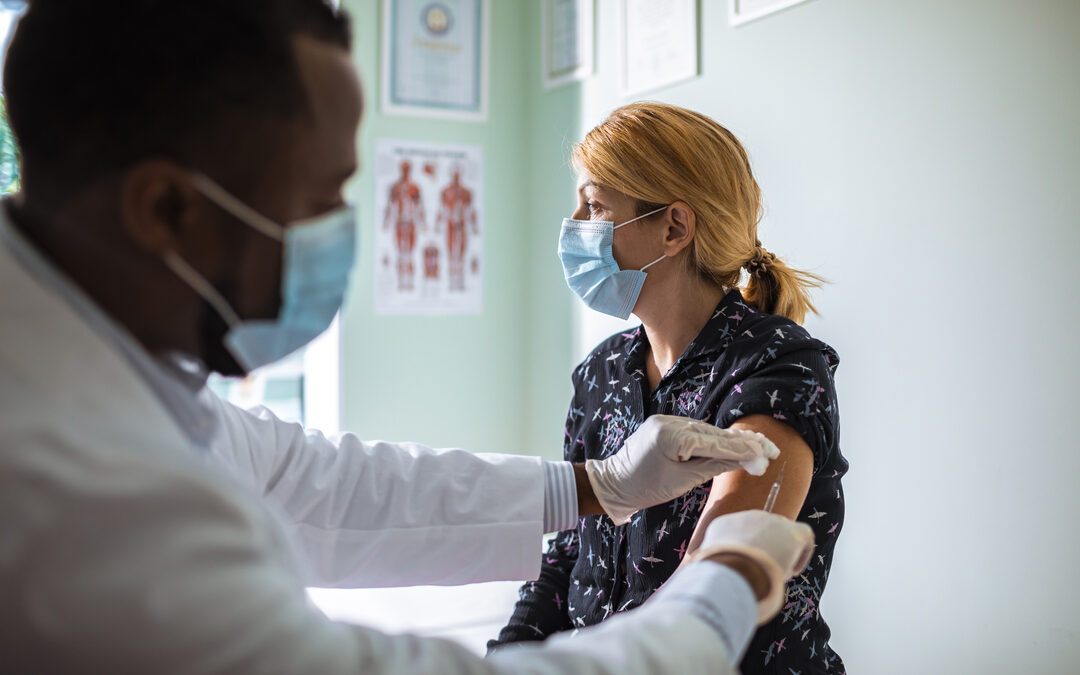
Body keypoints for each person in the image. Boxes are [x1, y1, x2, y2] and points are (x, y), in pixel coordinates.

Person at [0, 2, 817, 673]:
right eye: (323, 195)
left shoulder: (774, 368)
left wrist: (593, 485)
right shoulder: (59, 481)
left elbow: (312, 483)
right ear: (166, 209)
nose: (345, 231)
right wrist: (728, 583)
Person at [489, 103, 849, 674]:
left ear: (674, 227)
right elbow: (565, 559)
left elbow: (720, 566)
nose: (575, 223)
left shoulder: (777, 366)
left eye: (595, 204)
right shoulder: (600, 373)